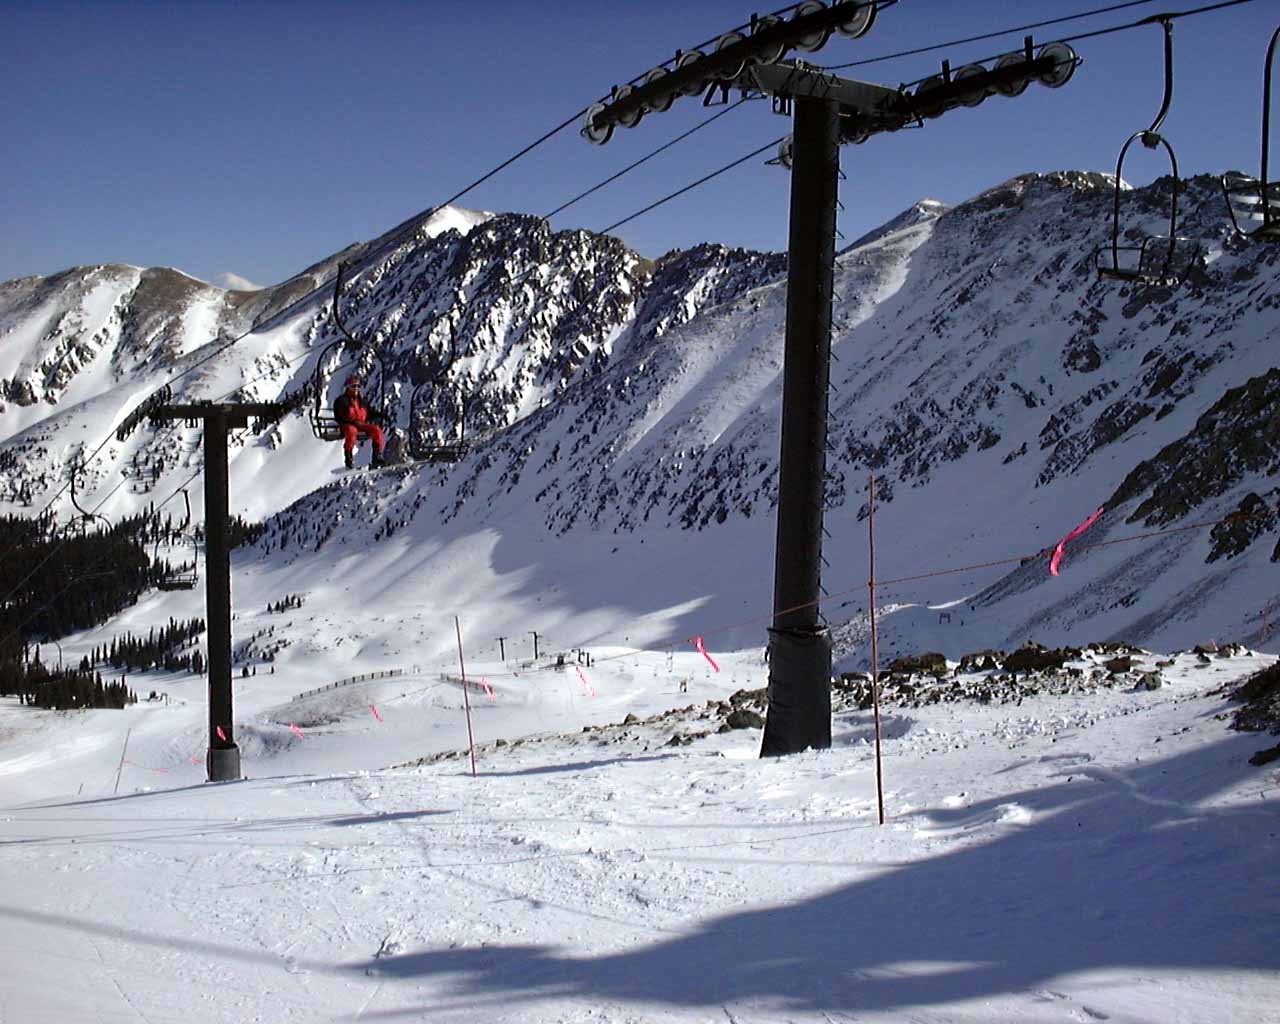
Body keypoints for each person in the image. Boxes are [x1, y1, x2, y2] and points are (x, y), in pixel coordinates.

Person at [333, 376, 385, 469]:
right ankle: (349, 458)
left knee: (376, 430)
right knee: (351, 432)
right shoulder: (342, 401)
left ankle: (377, 457)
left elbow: (368, 412)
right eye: (354, 386)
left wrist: (380, 415)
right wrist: (352, 422)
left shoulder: (361, 401)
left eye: (358, 386)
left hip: (361, 424)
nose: (356, 388)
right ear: (348, 387)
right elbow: (339, 416)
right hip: (347, 424)